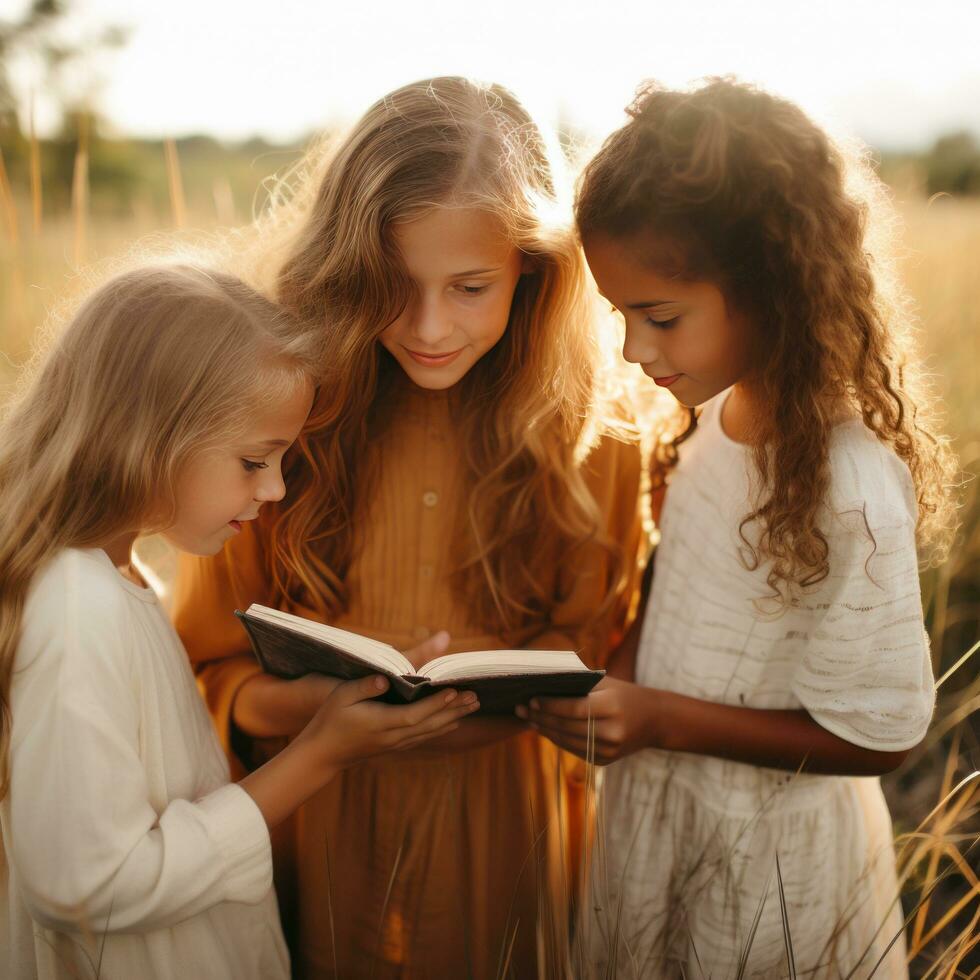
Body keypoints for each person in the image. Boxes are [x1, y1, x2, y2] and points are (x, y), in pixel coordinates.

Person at [173, 77, 646, 979]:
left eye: (470, 288)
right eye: (393, 286)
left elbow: (588, 639)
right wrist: (315, 710)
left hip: (506, 830)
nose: (429, 327)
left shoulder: (592, 435)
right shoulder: (279, 418)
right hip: (310, 821)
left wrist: (466, 707)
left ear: (532, 273)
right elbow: (208, 668)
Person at [520, 78, 957, 978]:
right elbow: (671, 586)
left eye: (661, 317)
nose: (636, 351)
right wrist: (621, 685)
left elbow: (886, 734)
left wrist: (661, 719)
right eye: (621, 315)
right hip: (654, 818)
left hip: (768, 870)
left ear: (773, 288)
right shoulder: (707, 421)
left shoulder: (851, 483)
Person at [0, 265, 478, 980]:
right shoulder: (78, 608)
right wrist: (318, 755)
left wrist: (323, 698)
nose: (276, 489)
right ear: (146, 435)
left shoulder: (121, 578)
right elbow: (86, 886)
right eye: (255, 460)